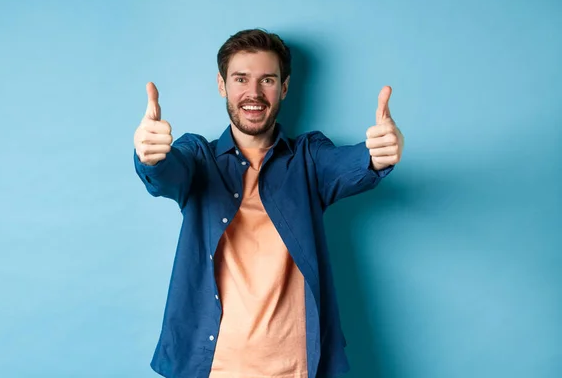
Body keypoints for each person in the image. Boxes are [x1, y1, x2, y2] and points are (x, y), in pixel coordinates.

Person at [133, 28, 404, 378]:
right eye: (241, 79)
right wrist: (151, 157)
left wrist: (379, 154)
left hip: (295, 368)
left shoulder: (309, 157)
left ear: (285, 88)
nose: (254, 93)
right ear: (222, 85)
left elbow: (350, 164)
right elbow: (168, 172)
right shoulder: (199, 158)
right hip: (214, 367)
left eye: (268, 80)